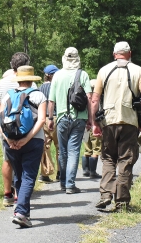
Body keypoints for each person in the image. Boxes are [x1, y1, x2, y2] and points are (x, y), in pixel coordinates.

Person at [91, 41, 141, 211]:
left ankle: (105, 195)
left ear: (114, 54)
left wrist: (95, 123)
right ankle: (122, 201)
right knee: (126, 159)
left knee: (108, 158)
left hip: (108, 122)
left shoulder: (104, 70)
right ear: (129, 53)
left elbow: (95, 99)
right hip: (129, 121)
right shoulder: (137, 70)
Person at [0, 66, 46, 228]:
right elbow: (41, 120)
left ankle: (20, 210)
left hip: (10, 141)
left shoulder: (8, 96)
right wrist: (26, 139)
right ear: (32, 79)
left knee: (18, 175)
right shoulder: (39, 95)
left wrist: (8, 140)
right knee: (29, 176)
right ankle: (22, 213)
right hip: (33, 141)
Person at [0, 52, 35, 207]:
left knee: (8, 159)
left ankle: (7, 193)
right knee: (23, 160)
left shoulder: (2, 83)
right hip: (25, 128)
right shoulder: (31, 82)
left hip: (7, 127)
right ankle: (19, 194)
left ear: (12, 65)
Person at [47, 47, 92, 194]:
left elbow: (51, 101)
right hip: (79, 118)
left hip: (61, 118)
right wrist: (91, 119)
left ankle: (62, 182)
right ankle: (70, 185)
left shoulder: (57, 76)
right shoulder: (83, 74)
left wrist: (50, 118)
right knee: (73, 151)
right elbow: (90, 98)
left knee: (63, 151)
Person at [38, 64, 60, 183]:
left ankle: (44, 174)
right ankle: (60, 173)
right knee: (59, 147)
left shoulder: (40, 88)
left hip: (42, 119)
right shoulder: (57, 86)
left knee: (45, 147)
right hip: (55, 117)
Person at [82, 79, 102, 179]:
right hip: (94, 126)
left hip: (85, 126)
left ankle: (85, 170)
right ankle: (93, 172)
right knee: (96, 148)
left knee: (86, 147)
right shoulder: (97, 100)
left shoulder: (84, 98)